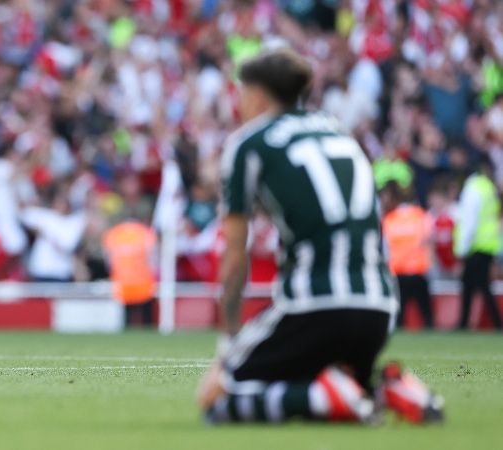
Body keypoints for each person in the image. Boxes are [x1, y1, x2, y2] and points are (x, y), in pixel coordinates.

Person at [196, 49, 443, 424]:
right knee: (324, 374)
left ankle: (319, 398)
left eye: (243, 92)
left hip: (314, 305)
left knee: (216, 399)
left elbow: (233, 253)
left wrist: (229, 339)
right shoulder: (340, 134)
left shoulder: (250, 142)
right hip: (379, 309)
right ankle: (383, 389)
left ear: (259, 95)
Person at [454, 156, 503, 330]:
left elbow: (469, 220)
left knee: (477, 285)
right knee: (472, 285)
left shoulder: (472, 188)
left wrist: (462, 249)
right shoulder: (488, 188)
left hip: (476, 245)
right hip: (489, 244)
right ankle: (464, 323)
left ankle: (492, 323)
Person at [380, 181, 434, 329]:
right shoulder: (421, 215)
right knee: (427, 315)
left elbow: (385, 248)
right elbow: (429, 240)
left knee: (399, 316)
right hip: (418, 271)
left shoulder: (389, 219)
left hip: (398, 272)